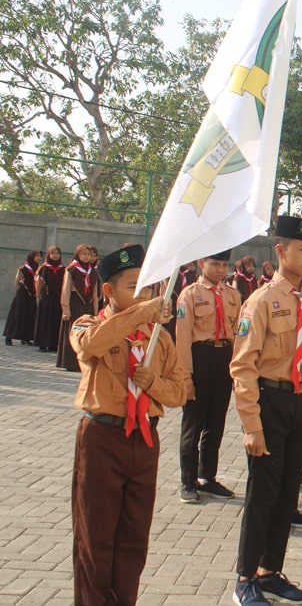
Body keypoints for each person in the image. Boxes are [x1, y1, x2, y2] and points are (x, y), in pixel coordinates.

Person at [69, 244, 185, 605]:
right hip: (102, 438)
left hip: (144, 440)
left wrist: (153, 384)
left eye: (148, 288)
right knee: (95, 538)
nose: (143, 296)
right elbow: (92, 346)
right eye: (133, 287)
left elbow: (179, 392)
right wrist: (139, 315)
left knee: (134, 538)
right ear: (108, 291)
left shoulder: (159, 339)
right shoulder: (88, 326)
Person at [230, 216, 302, 606]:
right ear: (280, 251)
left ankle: (270, 571)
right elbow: (242, 366)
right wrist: (251, 426)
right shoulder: (261, 302)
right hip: (270, 403)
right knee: (263, 495)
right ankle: (244, 578)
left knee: (288, 495)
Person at [174, 250, 242, 504]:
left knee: (216, 422)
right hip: (199, 358)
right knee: (193, 422)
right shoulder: (189, 295)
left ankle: (207, 477)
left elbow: (237, 333)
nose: (220, 270)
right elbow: (182, 339)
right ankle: (187, 481)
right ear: (201, 263)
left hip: (223, 358)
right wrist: (185, 376)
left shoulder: (233, 295)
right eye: (215, 264)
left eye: (224, 265)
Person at [57, 245, 100, 371]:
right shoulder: (71, 270)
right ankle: (71, 362)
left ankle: (85, 361)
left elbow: (95, 291)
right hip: (75, 304)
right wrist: (66, 309)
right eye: (83, 254)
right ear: (78, 255)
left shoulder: (92, 271)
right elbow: (65, 291)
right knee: (74, 332)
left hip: (88, 306)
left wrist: (95, 310)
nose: (86, 257)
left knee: (87, 333)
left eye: (88, 254)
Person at [4, 250, 41, 346]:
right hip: (22, 295)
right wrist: (18, 293)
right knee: (17, 316)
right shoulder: (24, 268)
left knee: (29, 316)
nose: (39, 258)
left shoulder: (38, 269)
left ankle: (26, 338)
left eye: (39, 256)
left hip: (32, 295)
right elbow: (17, 281)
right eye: (36, 256)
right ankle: (9, 337)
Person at [34, 246, 64, 352]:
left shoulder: (63, 269)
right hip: (46, 298)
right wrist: (38, 297)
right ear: (49, 255)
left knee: (55, 321)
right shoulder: (44, 268)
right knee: (45, 320)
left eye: (57, 253)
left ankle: (53, 344)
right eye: (53, 253)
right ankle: (42, 344)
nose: (55, 255)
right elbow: (39, 283)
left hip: (57, 299)